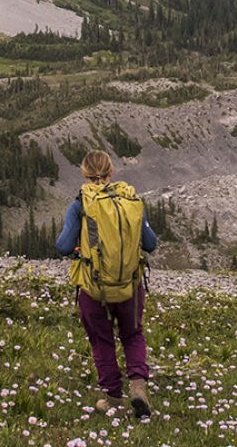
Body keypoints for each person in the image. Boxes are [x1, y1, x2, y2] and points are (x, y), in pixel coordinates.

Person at [56, 150, 159, 418]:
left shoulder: (81, 204)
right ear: (111, 172)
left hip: (94, 288)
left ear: (84, 174)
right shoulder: (130, 199)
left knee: (101, 340)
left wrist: (80, 249)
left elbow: (63, 246)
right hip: (130, 285)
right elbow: (150, 243)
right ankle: (138, 386)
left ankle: (113, 399)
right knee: (133, 334)